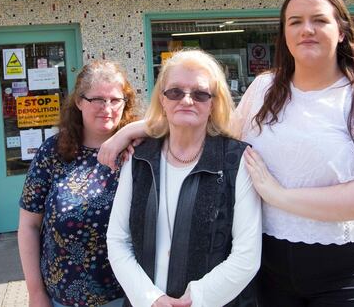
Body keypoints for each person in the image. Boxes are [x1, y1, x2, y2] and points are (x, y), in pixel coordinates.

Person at [237, 0, 354, 305]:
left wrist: (279, 196)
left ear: (342, 32)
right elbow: (215, 136)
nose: (306, 29)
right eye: (295, 22)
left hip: (346, 268)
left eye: (319, 20)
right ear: (285, 35)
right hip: (266, 262)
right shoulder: (263, 89)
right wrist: (130, 131)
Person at [105, 49, 261, 307]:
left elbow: (247, 255)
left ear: (213, 103)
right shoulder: (138, 158)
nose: (187, 101)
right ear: (162, 100)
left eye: (200, 94)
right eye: (175, 92)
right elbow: (118, 239)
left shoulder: (236, 161)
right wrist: (151, 298)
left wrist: (195, 300)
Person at [18, 60, 138, 307]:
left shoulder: (138, 150)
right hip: (62, 298)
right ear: (80, 101)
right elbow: (29, 225)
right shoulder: (52, 152)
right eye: (98, 99)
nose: (107, 108)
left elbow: (169, 124)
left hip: (126, 297)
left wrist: (126, 135)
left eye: (116, 100)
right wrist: (36, 293)